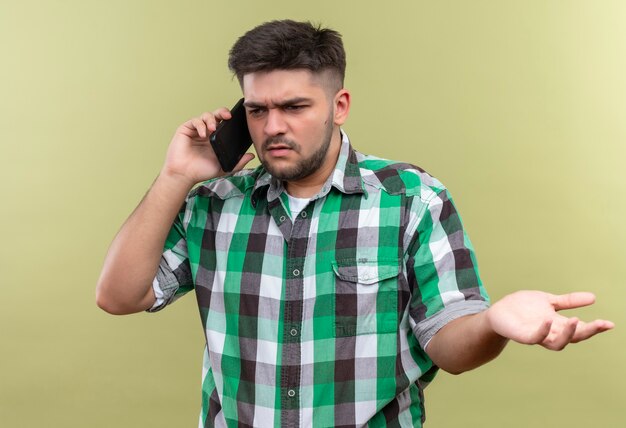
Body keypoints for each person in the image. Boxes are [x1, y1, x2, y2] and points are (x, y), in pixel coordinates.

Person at [96, 19, 614, 427]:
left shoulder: (411, 198)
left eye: (294, 106)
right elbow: (119, 296)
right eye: (257, 110)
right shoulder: (214, 204)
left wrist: (494, 323)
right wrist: (174, 176)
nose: (272, 127)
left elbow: (450, 347)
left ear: (339, 105)